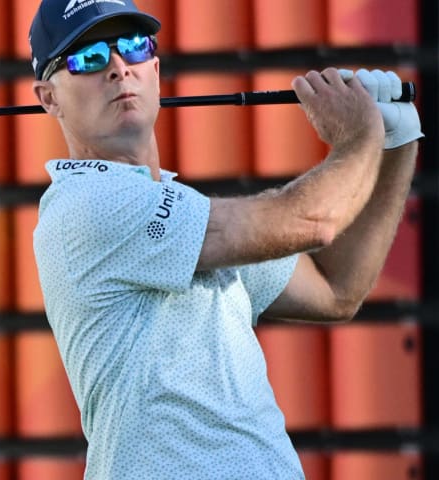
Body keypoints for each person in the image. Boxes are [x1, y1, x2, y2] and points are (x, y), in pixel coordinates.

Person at [28, 0, 423, 479]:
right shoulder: (86, 204)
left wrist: (397, 143)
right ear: (49, 98)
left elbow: (338, 290)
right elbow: (312, 221)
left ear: (155, 69)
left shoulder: (183, 212)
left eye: (133, 48)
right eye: (87, 58)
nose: (117, 68)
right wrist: (359, 136)